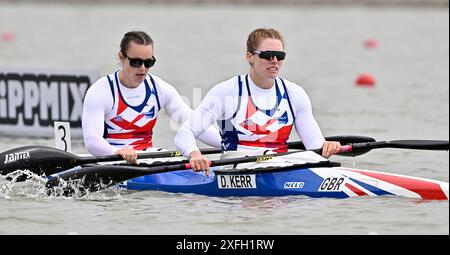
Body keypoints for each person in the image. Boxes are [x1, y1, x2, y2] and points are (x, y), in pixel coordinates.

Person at [174, 28, 341, 172]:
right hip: (237, 163)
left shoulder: (295, 94)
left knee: (320, 161)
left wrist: (326, 147)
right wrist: (194, 154)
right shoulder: (226, 92)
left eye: (279, 55)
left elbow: (315, 146)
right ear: (250, 57)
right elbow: (185, 133)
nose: (274, 61)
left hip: (283, 163)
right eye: (267, 55)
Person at [82, 31, 221, 164]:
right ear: (122, 57)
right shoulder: (101, 91)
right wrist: (116, 151)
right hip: (111, 159)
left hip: (148, 156)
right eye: (136, 62)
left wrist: (229, 143)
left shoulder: (160, 88)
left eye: (148, 63)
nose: (142, 68)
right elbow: (92, 140)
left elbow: (194, 124)